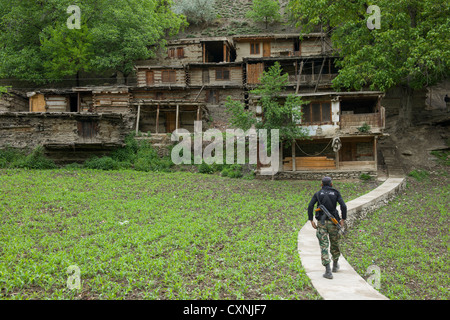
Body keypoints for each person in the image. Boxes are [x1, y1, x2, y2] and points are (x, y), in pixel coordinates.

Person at [307, 176, 347, 279]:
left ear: (321, 184)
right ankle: (335, 265)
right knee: (335, 243)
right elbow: (343, 206)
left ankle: (328, 271)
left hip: (322, 223)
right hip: (334, 223)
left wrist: (311, 220)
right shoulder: (336, 192)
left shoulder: (318, 194)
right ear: (331, 184)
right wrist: (343, 219)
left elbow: (310, 206)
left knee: (324, 245)